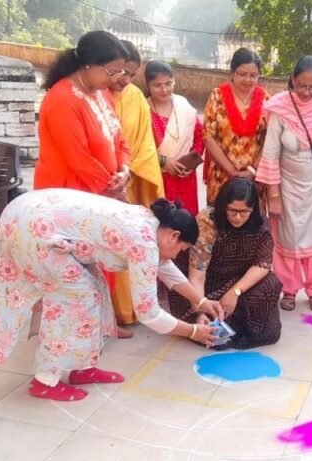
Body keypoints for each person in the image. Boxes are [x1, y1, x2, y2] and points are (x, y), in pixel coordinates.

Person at [0, 190, 224, 401]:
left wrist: (201, 301)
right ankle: (44, 380)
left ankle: (82, 366)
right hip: (32, 228)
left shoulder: (151, 226)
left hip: (34, 213)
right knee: (75, 300)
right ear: (173, 236)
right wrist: (194, 331)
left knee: (96, 292)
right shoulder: (144, 244)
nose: (175, 256)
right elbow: (149, 314)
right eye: (181, 249)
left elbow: (164, 268)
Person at [257, 56, 312, 313]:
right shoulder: (280, 107)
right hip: (287, 186)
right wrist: (273, 195)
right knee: (287, 237)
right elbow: (271, 153)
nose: (306, 92)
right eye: (301, 86)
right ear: (293, 80)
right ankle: (289, 288)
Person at [168, 178, 282, 349]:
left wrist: (235, 292)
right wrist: (200, 311)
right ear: (223, 206)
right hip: (207, 284)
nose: (238, 217)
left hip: (238, 280)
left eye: (244, 212)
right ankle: (206, 324)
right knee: (205, 321)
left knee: (271, 285)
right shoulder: (208, 221)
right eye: (232, 210)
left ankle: (233, 324)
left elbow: (262, 264)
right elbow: (197, 276)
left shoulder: (259, 221)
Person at [107, 40, 166, 336]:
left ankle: (127, 311)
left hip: (128, 186)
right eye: (119, 72)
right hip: (96, 186)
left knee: (125, 250)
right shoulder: (90, 95)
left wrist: (128, 174)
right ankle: (103, 315)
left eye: (131, 75)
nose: (124, 80)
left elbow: (144, 146)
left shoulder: (135, 99)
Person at [33, 30, 131, 198]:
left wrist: (124, 170)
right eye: (112, 72)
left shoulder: (103, 92)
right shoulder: (62, 100)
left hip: (103, 193)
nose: (116, 79)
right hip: (67, 196)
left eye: (120, 72)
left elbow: (119, 138)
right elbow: (79, 158)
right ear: (88, 64)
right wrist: (109, 189)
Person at [203, 48, 271, 205]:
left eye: (253, 75)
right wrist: (231, 171)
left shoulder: (265, 99)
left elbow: (271, 139)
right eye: (242, 74)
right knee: (219, 222)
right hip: (221, 175)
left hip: (254, 178)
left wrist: (252, 171)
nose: (247, 79)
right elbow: (208, 136)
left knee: (250, 222)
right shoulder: (217, 95)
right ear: (232, 72)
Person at [145, 60, 204, 215]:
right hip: (157, 178)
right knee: (161, 223)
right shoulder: (143, 110)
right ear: (148, 85)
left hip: (185, 178)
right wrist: (164, 161)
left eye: (168, 83)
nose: (164, 89)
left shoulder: (182, 105)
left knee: (185, 222)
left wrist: (191, 162)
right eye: (157, 85)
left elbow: (199, 134)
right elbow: (138, 147)